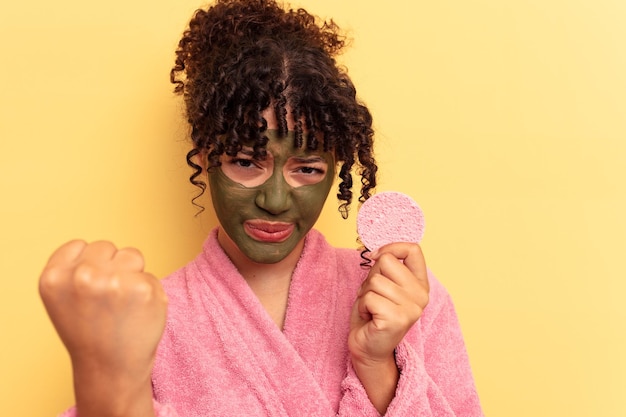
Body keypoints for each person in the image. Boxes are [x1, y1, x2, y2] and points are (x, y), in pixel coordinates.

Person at [39, 0, 483, 416]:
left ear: (334, 170)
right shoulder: (142, 321)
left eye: (306, 169)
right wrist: (108, 381)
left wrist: (377, 366)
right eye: (246, 162)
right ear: (204, 158)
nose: (274, 200)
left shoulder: (402, 301)